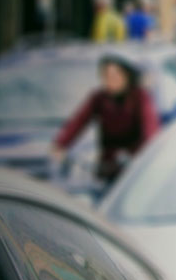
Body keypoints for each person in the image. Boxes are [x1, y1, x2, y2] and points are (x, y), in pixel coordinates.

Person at [53, 54, 159, 188]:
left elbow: (150, 126)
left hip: (135, 165)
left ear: (126, 76)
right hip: (108, 165)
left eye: (115, 77)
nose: (110, 82)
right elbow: (79, 121)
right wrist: (60, 144)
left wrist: (150, 154)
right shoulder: (99, 98)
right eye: (106, 77)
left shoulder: (140, 96)